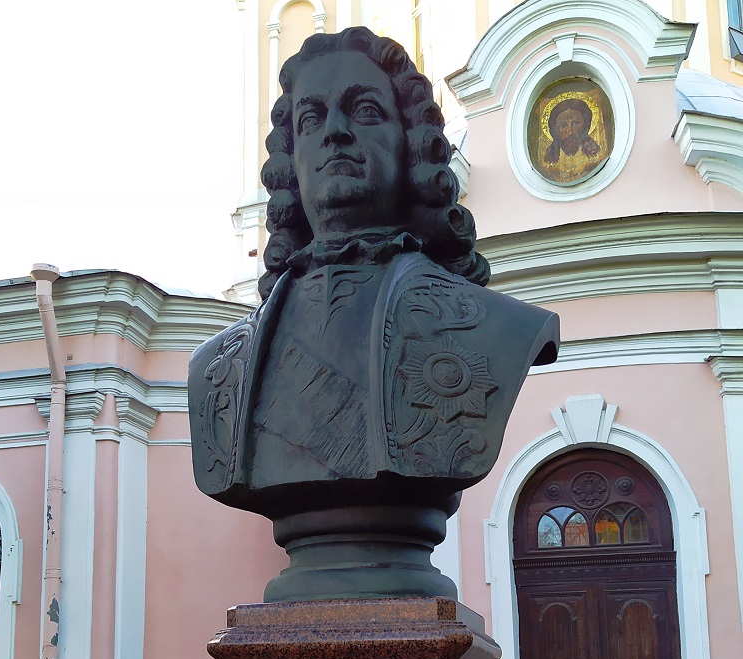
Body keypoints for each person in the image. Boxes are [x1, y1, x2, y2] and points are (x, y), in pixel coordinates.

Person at [188, 27, 559, 596]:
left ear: (411, 145)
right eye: (312, 119)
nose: (335, 132)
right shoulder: (218, 368)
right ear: (292, 162)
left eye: (364, 111)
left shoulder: (496, 328)